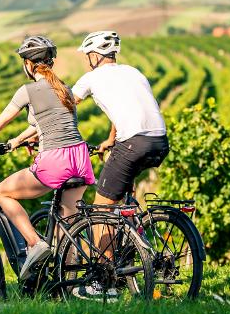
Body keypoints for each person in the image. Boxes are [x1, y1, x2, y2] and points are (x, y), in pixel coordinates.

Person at [0, 35, 94, 279]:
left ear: (28, 64)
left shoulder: (28, 90)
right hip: (80, 158)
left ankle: (34, 243)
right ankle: (69, 285)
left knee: (3, 192)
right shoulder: (64, 89)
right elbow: (46, 122)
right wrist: (18, 140)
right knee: (66, 225)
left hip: (55, 160)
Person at [72, 31, 169, 206]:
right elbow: (128, 109)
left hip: (134, 144)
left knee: (102, 210)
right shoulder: (134, 72)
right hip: (160, 142)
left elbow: (65, 105)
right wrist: (111, 139)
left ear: (94, 56)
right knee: (124, 203)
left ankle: (109, 229)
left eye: (87, 56)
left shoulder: (90, 78)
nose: (87, 61)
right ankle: (135, 230)